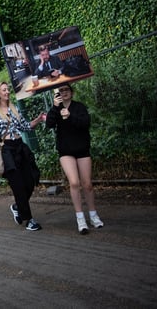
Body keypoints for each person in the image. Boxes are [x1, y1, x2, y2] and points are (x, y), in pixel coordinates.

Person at [0, 82, 46, 231]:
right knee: (18, 187)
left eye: (8, 89)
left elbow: (25, 127)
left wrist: (38, 119)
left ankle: (17, 206)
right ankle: (29, 220)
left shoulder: (14, 108)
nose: (8, 92)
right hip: (7, 151)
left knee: (30, 180)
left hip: (20, 147)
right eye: (4, 90)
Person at [45, 83, 104, 234]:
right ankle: (80, 219)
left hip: (82, 149)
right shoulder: (56, 109)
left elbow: (85, 124)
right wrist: (54, 107)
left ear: (71, 92)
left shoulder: (79, 107)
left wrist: (69, 117)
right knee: (74, 183)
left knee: (87, 184)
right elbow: (49, 124)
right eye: (61, 90)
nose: (64, 92)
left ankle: (93, 215)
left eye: (66, 89)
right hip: (66, 151)